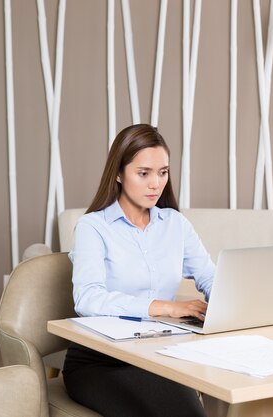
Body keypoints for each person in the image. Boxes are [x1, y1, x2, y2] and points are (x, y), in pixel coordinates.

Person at [62, 124, 214, 417]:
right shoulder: (93, 227)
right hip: (101, 360)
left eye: (163, 172)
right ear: (118, 174)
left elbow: (208, 274)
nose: (155, 184)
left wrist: (231, 299)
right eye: (144, 173)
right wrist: (164, 308)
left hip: (157, 354)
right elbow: (88, 299)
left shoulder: (175, 224)